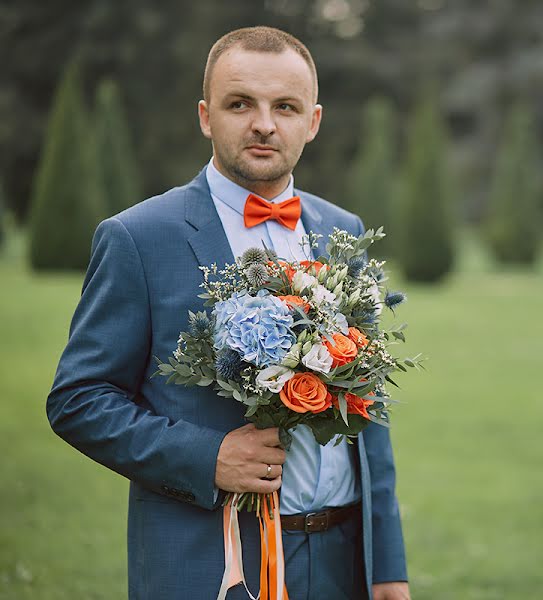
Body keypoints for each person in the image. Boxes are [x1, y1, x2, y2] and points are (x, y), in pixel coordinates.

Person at [47, 26, 409, 600]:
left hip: (343, 561)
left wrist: (386, 563)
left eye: (284, 107)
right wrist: (206, 456)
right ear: (205, 116)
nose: (264, 123)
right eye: (240, 103)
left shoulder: (343, 231)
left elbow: (369, 407)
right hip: (212, 564)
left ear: (311, 122)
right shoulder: (138, 238)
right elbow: (78, 400)